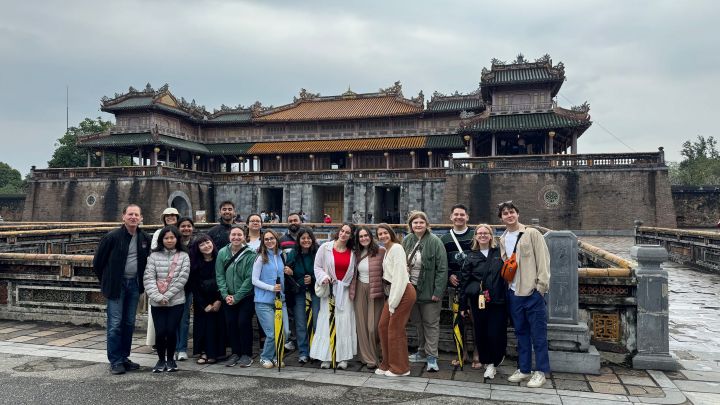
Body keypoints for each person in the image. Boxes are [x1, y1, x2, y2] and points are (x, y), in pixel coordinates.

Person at [92, 204, 151, 375]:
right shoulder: (112, 237)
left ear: (141, 218)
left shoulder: (144, 238)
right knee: (115, 324)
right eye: (130, 214)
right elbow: (98, 263)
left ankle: (124, 357)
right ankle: (115, 360)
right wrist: (107, 281)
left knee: (129, 323)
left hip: (134, 284)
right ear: (123, 216)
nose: (133, 217)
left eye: (136, 215)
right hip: (116, 286)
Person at [498, 201, 551, 388]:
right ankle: (524, 368)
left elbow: (543, 261)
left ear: (517, 214)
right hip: (513, 292)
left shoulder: (532, 234)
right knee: (521, 333)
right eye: (505, 213)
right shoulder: (503, 238)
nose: (509, 215)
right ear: (501, 218)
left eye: (512, 212)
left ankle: (541, 371)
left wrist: (541, 288)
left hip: (532, 292)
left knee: (538, 334)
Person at [459, 224, 507, 379]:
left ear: (491, 236)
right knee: (481, 333)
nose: (483, 235)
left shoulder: (499, 253)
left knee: (496, 333)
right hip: (479, 301)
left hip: (498, 299)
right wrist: (463, 304)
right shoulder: (471, 256)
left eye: (486, 233)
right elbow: (464, 282)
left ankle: (496, 358)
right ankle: (489, 362)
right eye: (479, 233)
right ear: (475, 237)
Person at [403, 210, 448, 372]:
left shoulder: (435, 242)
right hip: (411, 290)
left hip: (430, 291)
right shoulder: (407, 240)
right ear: (411, 225)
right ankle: (421, 351)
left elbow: (442, 269)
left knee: (431, 323)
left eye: (421, 222)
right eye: (415, 223)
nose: (418, 225)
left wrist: (438, 291)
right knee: (417, 322)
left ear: (426, 224)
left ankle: (432, 357)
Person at [143, 226, 191, 372]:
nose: (169, 240)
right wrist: (158, 297)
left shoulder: (184, 256)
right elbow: (148, 277)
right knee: (160, 331)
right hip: (157, 302)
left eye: (172, 237)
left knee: (171, 331)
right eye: (166, 238)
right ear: (161, 240)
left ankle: (170, 359)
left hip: (176, 301)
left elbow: (183, 278)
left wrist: (167, 296)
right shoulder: (153, 256)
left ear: (177, 239)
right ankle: (160, 360)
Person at [311, 223, 357, 369]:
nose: (343, 234)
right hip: (329, 290)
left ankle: (343, 357)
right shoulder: (325, 248)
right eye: (342, 231)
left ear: (351, 236)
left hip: (344, 292)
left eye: (347, 232)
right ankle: (326, 356)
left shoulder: (353, 252)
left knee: (344, 323)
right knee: (326, 322)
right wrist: (324, 276)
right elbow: (317, 266)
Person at [440, 204, 478, 367]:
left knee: (476, 320)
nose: (459, 217)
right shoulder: (444, 238)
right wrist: (449, 276)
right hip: (455, 286)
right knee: (458, 321)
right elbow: (443, 263)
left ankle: (477, 353)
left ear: (467, 217)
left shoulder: (475, 235)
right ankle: (461, 353)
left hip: (474, 285)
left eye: (462, 215)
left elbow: (480, 257)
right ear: (451, 217)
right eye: (456, 214)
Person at [376, 223, 416, 377]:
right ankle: (387, 363)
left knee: (395, 329)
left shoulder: (397, 248)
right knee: (383, 326)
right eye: (379, 234)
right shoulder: (387, 250)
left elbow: (399, 277)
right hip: (394, 291)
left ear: (391, 233)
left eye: (385, 233)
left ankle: (401, 368)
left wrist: (392, 304)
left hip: (403, 291)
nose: (382, 236)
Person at [216, 225, 258, 367]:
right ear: (229, 236)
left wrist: (237, 296)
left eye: (239, 235)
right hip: (228, 296)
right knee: (231, 324)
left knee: (243, 323)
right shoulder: (222, 252)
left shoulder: (250, 254)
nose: (236, 237)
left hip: (245, 296)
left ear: (244, 236)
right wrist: (225, 294)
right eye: (233, 235)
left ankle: (246, 354)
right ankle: (235, 353)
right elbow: (219, 274)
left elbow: (249, 278)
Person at [252, 229, 289, 368]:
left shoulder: (281, 255)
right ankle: (265, 357)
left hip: (280, 300)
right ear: (263, 241)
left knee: (285, 331)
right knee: (272, 333)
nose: (269, 241)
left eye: (271, 238)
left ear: (276, 239)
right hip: (263, 301)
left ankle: (275, 356)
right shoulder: (260, 257)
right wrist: (271, 288)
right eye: (266, 239)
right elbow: (254, 280)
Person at [188, 234, 225, 365]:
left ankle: (215, 353)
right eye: (202, 244)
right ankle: (203, 352)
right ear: (198, 248)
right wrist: (204, 304)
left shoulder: (220, 260)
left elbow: (224, 281)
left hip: (219, 299)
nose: (206, 246)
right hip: (202, 301)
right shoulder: (195, 264)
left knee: (217, 326)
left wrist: (219, 300)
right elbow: (194, 286)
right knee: (203, 326)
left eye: (208, 242)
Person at [147, 207, 180, 352]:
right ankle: (157, 342)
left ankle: (177, 344)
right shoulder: (158, 233)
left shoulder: (179, 232)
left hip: (177, 277)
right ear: (164, 218)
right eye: (167, 216)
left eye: (173, 215)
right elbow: (155, 250)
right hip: (160, 276)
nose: (170, 218)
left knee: (176, 314)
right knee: (157, 311)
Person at [353, 225, 386, 369]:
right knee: (361, 325)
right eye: (360, 236)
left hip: (376, 290)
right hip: (360, 288)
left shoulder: (381, 251)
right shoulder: (356, 253)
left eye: (366, 235)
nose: (364, 238)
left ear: (371, 237)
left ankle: (376, 355)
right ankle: (366, 357)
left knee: (373, 327)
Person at [285, 227, 321, 350]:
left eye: (308, 238)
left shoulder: (318, 252)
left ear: (312, 239)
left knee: (317, 321)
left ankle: (316, 350)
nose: (306, 240)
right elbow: (288, 274)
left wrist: (312, 278)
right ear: (299, 240)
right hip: (299, 291)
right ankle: (303, 351)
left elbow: (323, 271)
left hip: (315, 291)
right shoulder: (293, 254)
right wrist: (289, 272)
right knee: (300, 323)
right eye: (303, 238)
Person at [279, 212, 303, 351]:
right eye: (290, 220)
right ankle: (292, 339)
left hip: (303, 280)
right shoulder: (282, 240)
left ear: (300, 221)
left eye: (295, 220)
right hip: (288, 282)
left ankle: (302, 339)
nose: (293, 222)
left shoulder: (306, 238)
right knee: (290, 313)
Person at [175, 216, 195, 360]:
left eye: (188, 226)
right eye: (183, 226)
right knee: (172, 318)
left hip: (189, 286)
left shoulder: (196, 243)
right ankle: (173, 347)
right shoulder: (173, 243)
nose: (186, 228)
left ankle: (182, 348)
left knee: (184, 318)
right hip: (172, 287)